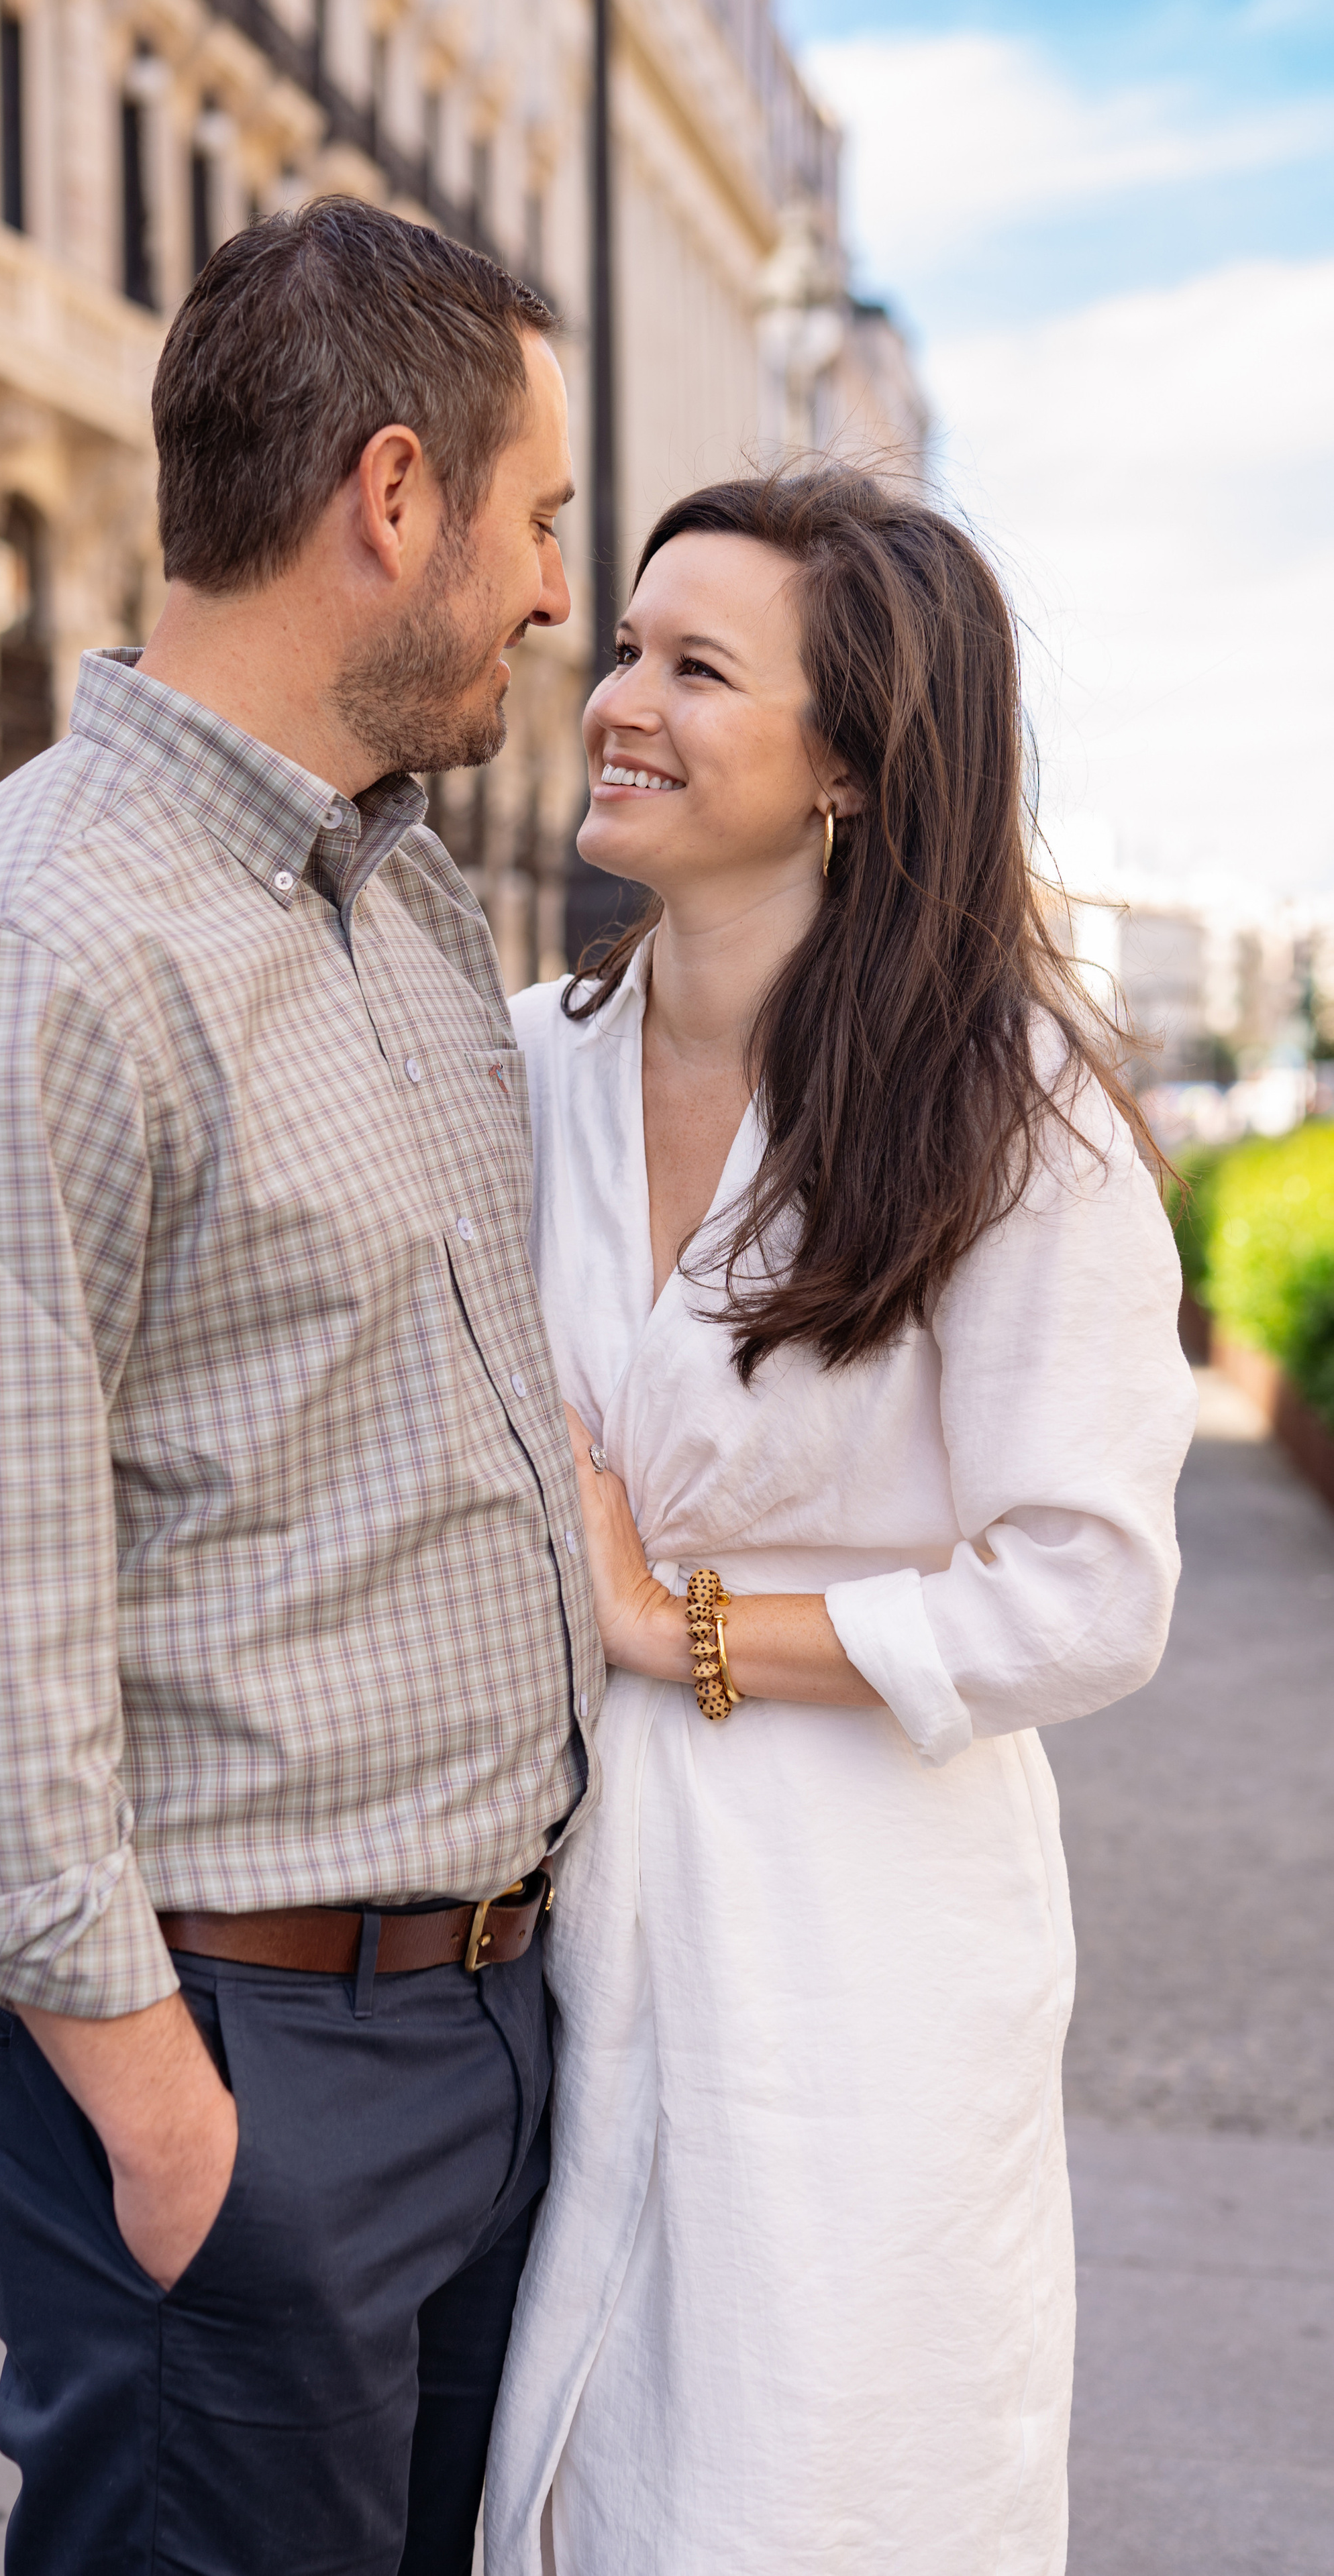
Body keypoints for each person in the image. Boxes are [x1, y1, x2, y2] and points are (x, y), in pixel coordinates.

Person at [0, 199, 600, 2576]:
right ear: (392, 498)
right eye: (540, 519)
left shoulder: (403, 897)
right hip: (239, 2069)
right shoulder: (18, 946)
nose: (558, 592)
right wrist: (164, 2117)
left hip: (481, 2028)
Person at [482, 469, 1198, 2575]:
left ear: (856, 768)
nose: (619, 696)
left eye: (699, 667)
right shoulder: (521, 1062)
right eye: (623, 643)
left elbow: (1093, 1588)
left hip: (856, 1957)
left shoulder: (1016, 1119)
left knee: (803, 2495)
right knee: (549, 2486)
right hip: (534, 1920)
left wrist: (675, 1620)